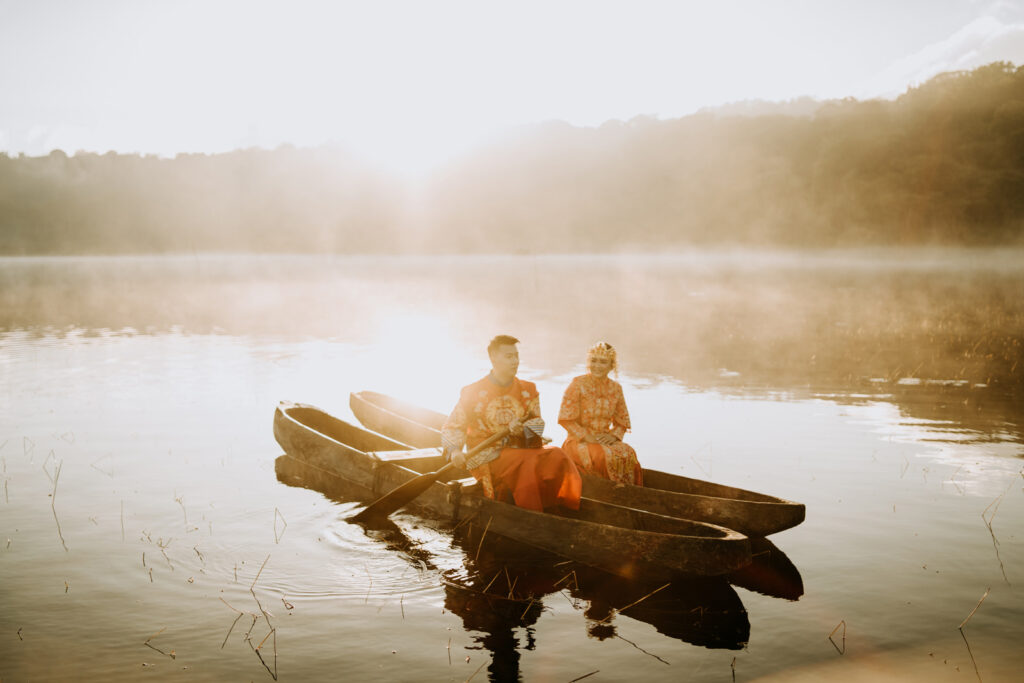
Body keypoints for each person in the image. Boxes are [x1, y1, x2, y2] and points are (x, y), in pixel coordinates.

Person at [441, 335, 582, 512]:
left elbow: (537, 423)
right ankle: (532, 514)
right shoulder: (472, 391)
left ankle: (558, 506)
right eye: (509, 357)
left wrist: (521, 431)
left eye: (516, 356)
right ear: (493, 358)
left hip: (521, 448)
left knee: (558, 456)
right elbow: (453, 425)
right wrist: (455, 451)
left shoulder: (528, 390)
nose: (515, 361)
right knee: (526, 463)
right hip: (485, 453)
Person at [558, 341, 643, 485]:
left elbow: (622, 420)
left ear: (611, 366)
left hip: (604, 438)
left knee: (629, 453)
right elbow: (565, 419)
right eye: (593, 361)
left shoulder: (616, 388)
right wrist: (586, 436)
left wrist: (614, 436)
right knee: (601, 456)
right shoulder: (577, 384)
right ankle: (606, 493)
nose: (597, 366)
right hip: (578, 440)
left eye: (603, 362)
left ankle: (628, 493)